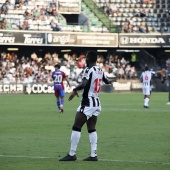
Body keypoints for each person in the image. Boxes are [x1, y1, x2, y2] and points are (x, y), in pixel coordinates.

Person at [59, 51, 114, 161]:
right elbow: (108, 81)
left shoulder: (89, 70)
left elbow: (84, 83)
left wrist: (75, 90)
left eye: (86, 58)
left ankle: (72, 154)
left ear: (89, 59)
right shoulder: (100, 70)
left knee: (76, 126)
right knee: (91, 128)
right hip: (96, 103)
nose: (85, 60)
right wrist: (114, 79)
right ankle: (93, 155)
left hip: (87, 103)